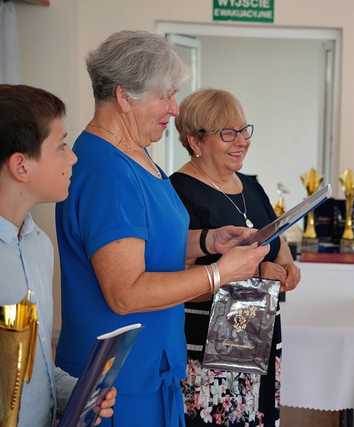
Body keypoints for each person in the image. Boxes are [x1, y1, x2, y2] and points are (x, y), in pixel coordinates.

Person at [55, 32, 269, 427]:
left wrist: (207, 240)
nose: (174, 109)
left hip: (152, 367)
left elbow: (145, 241)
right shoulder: (107, 171)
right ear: (124, 96)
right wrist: (219, 274)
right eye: (165, 95)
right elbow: (124, 292)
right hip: (119, 383)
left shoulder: (136, 156)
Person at [170, 89, 301, 427]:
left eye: (244, 130)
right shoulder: (178, 191)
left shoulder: (251, 186)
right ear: (195, 141)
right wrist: (256, 274)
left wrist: (286, 269)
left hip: (258, 337)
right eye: (228, 133)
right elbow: (173, 285)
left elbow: (278, 245)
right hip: (210, 350)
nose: (241, 141)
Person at [0, 84, 116, 426]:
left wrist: (79, 393)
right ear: (21, 166)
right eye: (61, 146)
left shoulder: (38, 246)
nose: (73, 157)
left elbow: (35, 372)